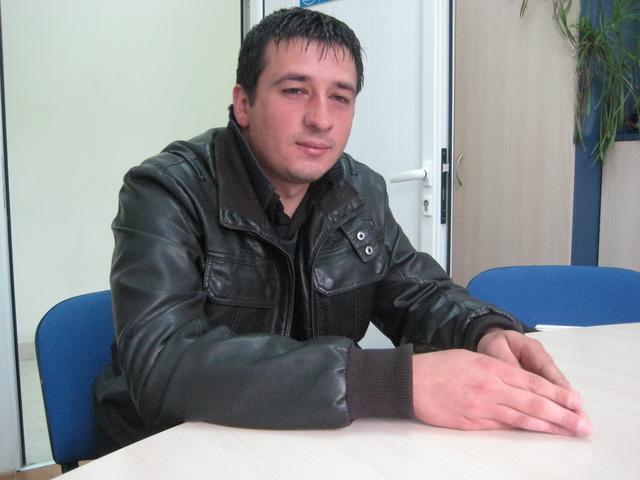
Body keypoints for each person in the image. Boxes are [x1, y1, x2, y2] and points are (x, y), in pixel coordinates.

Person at [94, 7, 591, 455]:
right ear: (244, 104)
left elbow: (416, 292)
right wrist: (393, 381)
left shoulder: (359, 191)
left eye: (340, 97)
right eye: (295, 91)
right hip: (175, 447)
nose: (321, 119)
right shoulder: (166, 191)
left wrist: (482, 331)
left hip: (310, 442)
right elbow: (162, 365)